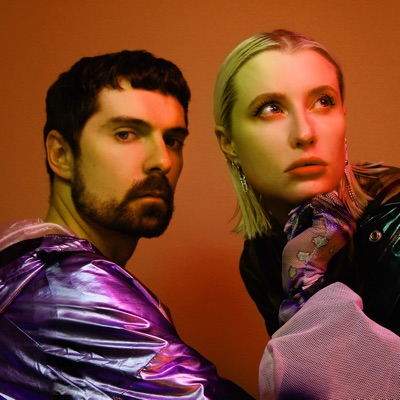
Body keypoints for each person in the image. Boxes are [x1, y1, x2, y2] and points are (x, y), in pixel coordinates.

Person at [0, 50, 254, 399]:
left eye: (173, 140)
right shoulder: (67, 285)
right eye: (126, 134)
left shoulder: (26, 260)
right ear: (61, 155)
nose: (162, 161)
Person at [214, 29, 400, 399]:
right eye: (271, 108)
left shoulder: (393, 223)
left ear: (343, 117)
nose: (304, 133)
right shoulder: (259, 256)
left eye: (323, 101)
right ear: (229, 143)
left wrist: (308, 274)